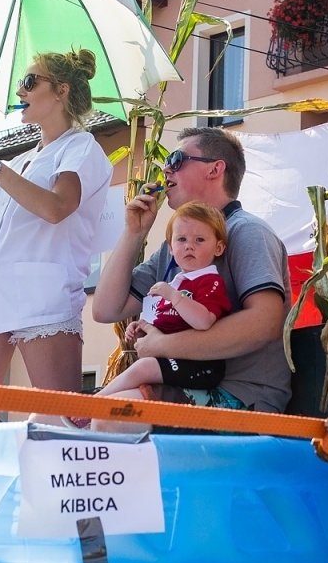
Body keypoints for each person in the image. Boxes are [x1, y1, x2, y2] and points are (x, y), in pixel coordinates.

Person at [0, 49, 112, 424]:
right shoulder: (21, 160)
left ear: (60, 91)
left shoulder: (81, 147)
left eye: (30, 81)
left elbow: (56, 208)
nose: (20, 91)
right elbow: (1, 235)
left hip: (43, 294)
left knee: (63, 421)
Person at [92, 127, 290, 417]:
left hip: (242, 398)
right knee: (104, 415)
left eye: (176, 159)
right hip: (183, 381)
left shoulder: (247, 231)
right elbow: (106, 309)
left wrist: (162, 345)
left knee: (114, 417)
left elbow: (265, 322)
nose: (166, 169)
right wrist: (134, 233)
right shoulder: (174, 249)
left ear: (214, 169)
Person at [87, 201, 232, 407]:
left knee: (143, 368)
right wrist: (142, 326)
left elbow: (204, 321)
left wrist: (174, 297)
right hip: (174, 361)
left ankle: (91, 403)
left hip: (201, 365)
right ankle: (97, 401)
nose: (189, 245)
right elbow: (163, 321)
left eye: (199, 239)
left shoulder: (210, 281)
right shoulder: (176, 282)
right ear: (171, 248)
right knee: (139, 375)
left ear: (218, 248)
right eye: (181, 239)